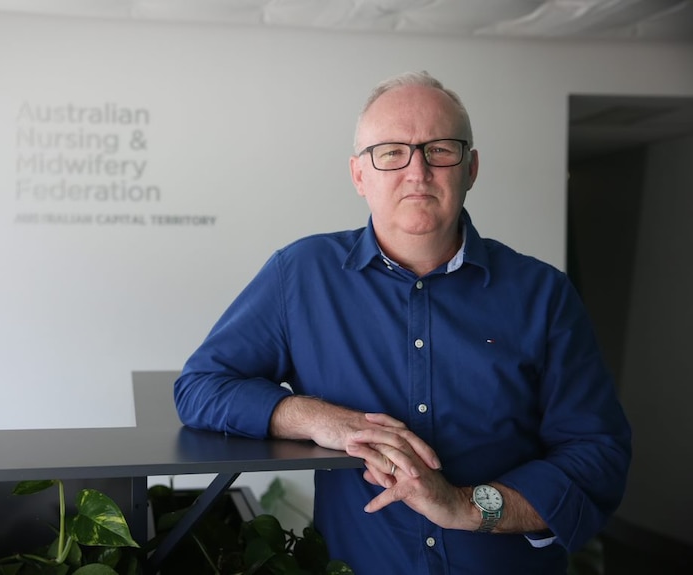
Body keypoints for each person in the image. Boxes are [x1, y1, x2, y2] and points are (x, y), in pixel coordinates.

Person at [174, 70, 632, 574]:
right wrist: (320, 418)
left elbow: (597, 456)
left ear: (471, 168)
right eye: (391, 152)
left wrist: (466, 506)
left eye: (439, 149)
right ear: (358, 175)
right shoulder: (299, 275)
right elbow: (201, 387)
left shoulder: (544, 294)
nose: (417, 171)